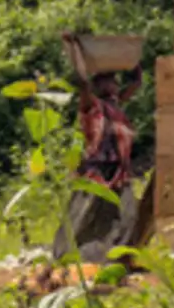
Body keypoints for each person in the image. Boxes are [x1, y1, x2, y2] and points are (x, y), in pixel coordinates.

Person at [50, 34, 150, 264]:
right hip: (96, 173)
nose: (112, 85)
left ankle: (111, 260)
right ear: (97, 86)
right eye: (106, 81)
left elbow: (136, 83)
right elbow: (82, 81)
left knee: (126, 217)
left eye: (114, 81)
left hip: (120, 173)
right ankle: (65, 257)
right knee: (83, 216)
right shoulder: (92, 107)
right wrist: (76, 52)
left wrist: (134, 57)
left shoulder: (116, 107)